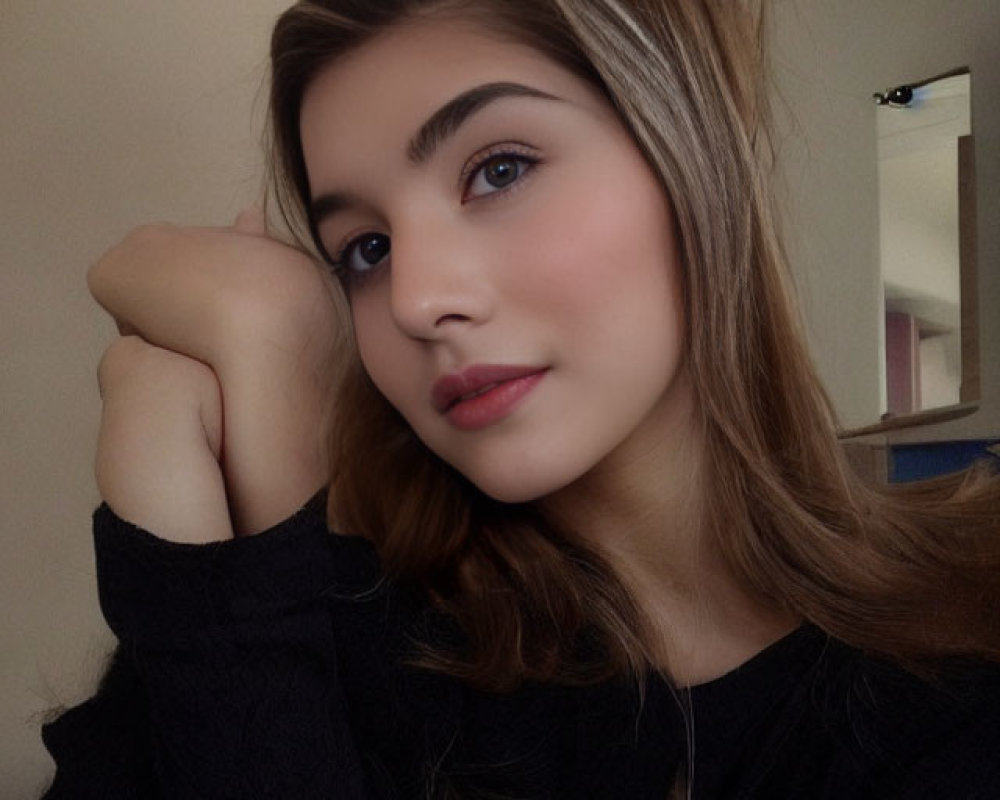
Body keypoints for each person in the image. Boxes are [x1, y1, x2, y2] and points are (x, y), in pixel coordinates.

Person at [41, 0, 1000, 797]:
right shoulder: (286, 619)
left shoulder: (963, 657)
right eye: (363, 250)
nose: (416, 300)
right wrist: (222, 514)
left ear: (692, 154)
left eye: (499, 170)